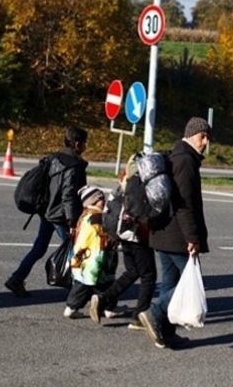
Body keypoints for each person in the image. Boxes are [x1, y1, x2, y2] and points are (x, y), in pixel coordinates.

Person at [138, 117, 211, 349]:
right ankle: (154, 313)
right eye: (202, 136)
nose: (205, 142)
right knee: (188, 284)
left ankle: (165, 332)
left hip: (163, 233)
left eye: (207, 137)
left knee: (171, 284)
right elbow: (184, 204)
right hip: (177, 236)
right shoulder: (186, 161)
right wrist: (193, 238)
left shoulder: (175, 155)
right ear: (190, 135)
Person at [5, 126, 88, 297]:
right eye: (84, 143)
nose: (85, 147)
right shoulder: (73, 165)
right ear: (77, 144)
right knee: (75, 250)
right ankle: (77, 291)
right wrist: (73, 222)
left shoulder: (53, 158)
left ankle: (17, 279)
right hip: (60, 216)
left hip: (46, 212)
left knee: (39, 248)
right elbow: (68, 195)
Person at [88, 178, 157, 330]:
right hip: (137, 234)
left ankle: (103, 299)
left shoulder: (127, 180)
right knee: (148, 276)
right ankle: (138, 318)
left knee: (132, 272)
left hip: (122, 232)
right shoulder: (145, 182)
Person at [63, 185, 119, 318]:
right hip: (96, 256)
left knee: (83, 282)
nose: (103, 201)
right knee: (102, 284)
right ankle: (108, 308)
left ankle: (71, 307)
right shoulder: (97, 217)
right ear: (92, 201)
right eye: (100, 199)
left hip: (83, 255)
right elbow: (103, 236)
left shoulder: (85, 215)